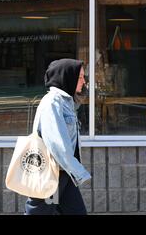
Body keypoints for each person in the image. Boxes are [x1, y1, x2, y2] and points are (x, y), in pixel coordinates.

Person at [25, 59, 92, 215]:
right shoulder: (52, 102)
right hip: (51, 173)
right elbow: (58, 145)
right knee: (39, 213)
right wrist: (80, 172)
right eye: (80, 77)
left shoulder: (66, 101)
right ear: (68, 77)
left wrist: (83, 90)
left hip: (64, 173)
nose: (84, 80)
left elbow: (79, 102)